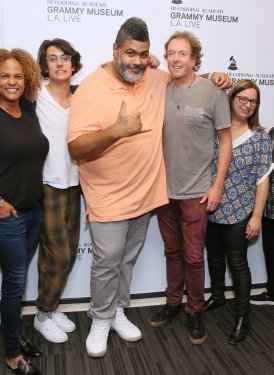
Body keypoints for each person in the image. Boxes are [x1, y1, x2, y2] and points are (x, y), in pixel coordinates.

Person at [68, 18, 231, 357]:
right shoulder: (89, 88)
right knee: (108, 260)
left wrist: (217, 76)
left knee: (127, 259)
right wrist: (116, 131)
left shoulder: (155, 78)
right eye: (130, 53)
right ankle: (100, 317)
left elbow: (187, 80)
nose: (137, 61)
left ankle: (118, 311)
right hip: (108, 197)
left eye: (143, 54)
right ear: (115, 50)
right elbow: (75, 149)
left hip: (145, 196)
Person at [148, 31, 232, 345]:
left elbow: (225, 141)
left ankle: (195, 309)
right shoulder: (159, 85)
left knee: (194, 256)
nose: (176, 58)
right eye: (171, 53)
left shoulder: (212, 90)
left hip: (197, 189)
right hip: (162, 190)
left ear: (194, 59)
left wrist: (217, 186)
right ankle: (173, 302)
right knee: (172, 251)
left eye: (182, 53)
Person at [204, 79, 273, 344]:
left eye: (252, 101)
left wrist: (256, 216)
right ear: (231, 99)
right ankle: (219, 296)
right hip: (211, 206)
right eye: (242, 98)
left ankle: (243, 316)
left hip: (240, 210)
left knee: (239, 265)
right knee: (215, 257)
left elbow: (263, 180)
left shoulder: (260, 138)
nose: (247, 104)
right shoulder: (216, 129)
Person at [0, 48, 49, 374]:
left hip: (35, 212)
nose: (12, 81)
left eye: (18, 75)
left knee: (17, 283)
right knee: (15, 285)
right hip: (10, 218)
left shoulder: (29, 109)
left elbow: (71, 88)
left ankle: (12, 336)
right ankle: (13, 352)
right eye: (5, 75)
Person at [33, 39, 82, 343]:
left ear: (73, 63)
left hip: (75, 185)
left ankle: (49, 310)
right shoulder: (35, 96)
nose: (60, 63)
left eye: (65, 57)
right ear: (45, 65)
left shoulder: (82, 98)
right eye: (53, 58)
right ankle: (42, 313)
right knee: (58, 255)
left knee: (68, 253)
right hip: (47, 186)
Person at [250, 127, 274, 306]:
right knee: (270, 251)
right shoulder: (272, 133)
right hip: (269, 206)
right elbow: (264, 169)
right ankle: (272, 292)